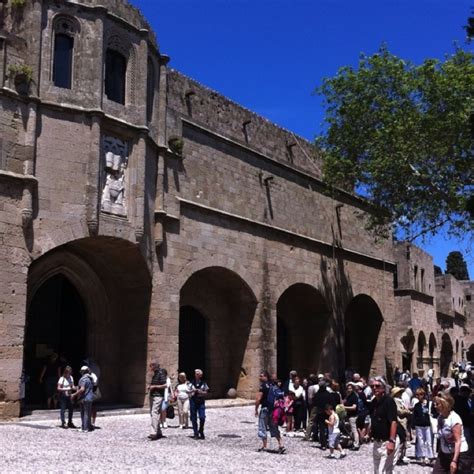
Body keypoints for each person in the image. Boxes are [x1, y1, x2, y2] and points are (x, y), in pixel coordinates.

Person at [433, 392, 471, 473]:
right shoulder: (440, 417)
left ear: (445, 405)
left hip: (459, 454)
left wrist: (454, 461)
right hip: (444, 453)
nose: (435, 406)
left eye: (437, 404)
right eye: (434, 404)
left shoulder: (454, 419)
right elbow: (442, 437)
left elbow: (458, 441)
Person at [370, 377, 399, 473]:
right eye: (372, 386)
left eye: (377, 386)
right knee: (377, 471)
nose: (374, 388)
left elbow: (393, 422)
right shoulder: (374, 402)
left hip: (387, 441)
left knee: (384, 471)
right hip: (377, 442)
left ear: (383, 388)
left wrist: (392, 441)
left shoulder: (389, 401)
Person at [255, 371, 285, 453]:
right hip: (273, 409)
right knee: (274, 427)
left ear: (266, 377)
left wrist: (256, 409)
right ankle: (281, 444)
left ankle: (264, 446)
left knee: (262, 427)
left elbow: (258, 399)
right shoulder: (273, 385)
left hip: (265, 409)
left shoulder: (263, 386)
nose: (260, 378)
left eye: (261, 376)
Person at [412, 387, 434, 465]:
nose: (418, 396)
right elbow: (414, 416)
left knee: (428, 441)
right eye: (417, 395)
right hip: (419, 425)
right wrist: (413, 426)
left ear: (424, 395)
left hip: (428, 425)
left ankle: (429, 456)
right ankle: (422, 456)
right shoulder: (416, 405)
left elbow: (434, 413)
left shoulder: (429, 404)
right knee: (420, 442)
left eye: (420, 394)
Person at [147, 362, 167, 440]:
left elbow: (165, 385)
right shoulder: (155, 373)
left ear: (155, 366)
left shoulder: (161, 372)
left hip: (158, 396)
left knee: (154, 412)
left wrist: (154, 386)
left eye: (151, 366)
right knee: (154, 413)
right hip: (153, 395)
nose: (150, 367)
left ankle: (153, 432)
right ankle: (158, 432)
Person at [71, 366, 94, 433]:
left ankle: (85, 428)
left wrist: (74, 394)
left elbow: (82, 389)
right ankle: (88, 426)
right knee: (88, 413)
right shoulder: (90, 378)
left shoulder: (83, 379)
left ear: (83, 371)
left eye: (81, 371)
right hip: (90, 398)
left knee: (84, 413)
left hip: (84, 398)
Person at [190, 368, 209, 440]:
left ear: (201, 375)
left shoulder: (203, 383)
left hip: (201, 401)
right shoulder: (191, 382)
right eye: (196, 374)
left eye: (198, 374)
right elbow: (188, 391)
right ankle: (196, 433)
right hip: (193, 401)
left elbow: (206, 392)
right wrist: (193, 390)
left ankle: (201, 429)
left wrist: (201, 392)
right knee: (193, 418)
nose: (196, 375)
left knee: (202, 417)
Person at [344, 382, 360, 450]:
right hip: (349, 415)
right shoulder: (348, 396)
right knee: (351, 430)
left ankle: (356, 444)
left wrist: (344, 407)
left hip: (353, 416)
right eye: (348, 388)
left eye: (350, 388)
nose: (349, 389)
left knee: (354, 430)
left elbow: (354, 407)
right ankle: (353, 442)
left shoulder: (354, 396)